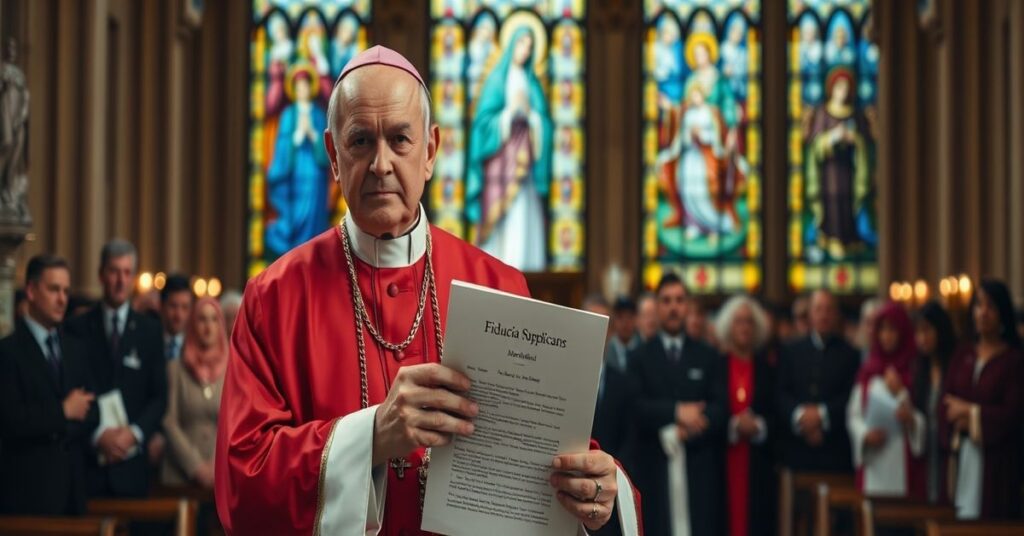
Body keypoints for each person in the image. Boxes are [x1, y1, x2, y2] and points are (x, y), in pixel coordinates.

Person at [214, 46, 640, 535]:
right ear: (333, 155)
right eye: (360, 141)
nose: (380, 163)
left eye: (399, 139)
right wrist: (372, 436)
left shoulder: (500, 285)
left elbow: (542, 447)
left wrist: (603, 489)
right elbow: (241, 481)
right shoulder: (275, 299)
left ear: (431, 150)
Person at [66, 239, 167, 498]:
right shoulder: (76, 328)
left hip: (133, 467)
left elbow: (159, 396)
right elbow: (70, 387)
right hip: (89, 466)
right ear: (101, 275)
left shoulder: (150, 331)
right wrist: (97, 435)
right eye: (114, 271)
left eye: (126, 272)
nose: (120, 280)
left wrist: (133, 434)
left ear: (133, 277)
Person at [629, 273, 726, 535]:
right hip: (654, 466)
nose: (673, 307)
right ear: (657, 307)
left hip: (698, 465)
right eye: (667, 300)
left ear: (687, 307)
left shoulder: (707, 355)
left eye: (680, 300)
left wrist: (691, 427)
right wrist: (676, 412)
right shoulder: (639, 357)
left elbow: (720, 408)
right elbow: (635, 407)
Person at [0, 255, 97, 515]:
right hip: (28, 495)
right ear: (31, 291)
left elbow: (92, 412)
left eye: (66, 291)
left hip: (73, 493)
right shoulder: (7, 351)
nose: (62, 299)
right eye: (54, 289)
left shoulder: (76, 348)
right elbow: (12, 419)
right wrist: (62, 412)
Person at [465, 27, 552, 272]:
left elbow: (544, 122)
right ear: (512, 44)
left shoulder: (533, 84)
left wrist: (533, 118)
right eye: (522, 43)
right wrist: (507, 116)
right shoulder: (496, 80)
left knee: (523, 219)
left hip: (525, 173)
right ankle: (495, 273)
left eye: (530, 46)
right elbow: (482, 124)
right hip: (499, 167)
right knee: (499, 231)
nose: (525, 50)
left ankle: (526, 272)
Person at [940, 279, 1023, 519]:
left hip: (997, 465)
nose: (983, 312)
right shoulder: (962, 354)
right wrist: (959, 420)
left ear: (1002, 314)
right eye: (978, 305)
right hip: (963, 454)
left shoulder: (1013, 360)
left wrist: (972, 414)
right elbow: (945, 402)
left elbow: (1013, 413)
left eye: (990, 307)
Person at [846, 302, 925, 498]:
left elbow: (923, 418)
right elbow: (854, 415)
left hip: (903, 462)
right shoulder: (868, 369)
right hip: (875, 459)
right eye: (882, 329)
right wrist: (865, 435)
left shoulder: (915, 369)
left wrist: (902, 396)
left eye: (892, 329)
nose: (886, 336)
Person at [777, 289, 860, 473]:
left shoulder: (850, 354)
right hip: (796, 450)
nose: (824, 315)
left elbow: (851, 396)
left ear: (837, 315)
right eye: (818, 309)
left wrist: (822, 415)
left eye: (829, 310)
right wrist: (800, 417)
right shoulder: (791, 351)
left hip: (834, 449)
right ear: (810, 315)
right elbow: (781, 393)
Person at [714, 294, 776, 536]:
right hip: (724, 458)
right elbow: (712, 408)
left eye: (749, 321)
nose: (744, 327)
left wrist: (758, 426)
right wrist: (733, 426)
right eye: (738, 321)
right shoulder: (716, 365)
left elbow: (775, 413)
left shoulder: (767, 369)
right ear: (729, 326)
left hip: (757, 463)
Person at [162, 298, 227, 489]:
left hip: (221, 475)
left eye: (214, 319)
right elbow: (169, 422)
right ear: (192, 325)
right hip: (180, 475)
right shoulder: (175, 369)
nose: (208, 326)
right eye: (202, 319)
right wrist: (196, 466)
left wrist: (216, 466)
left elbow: (235, 424)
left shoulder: (233, 370)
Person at [910, 301, 957, 504]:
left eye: (927, 331)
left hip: (949, 454)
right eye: (918, 332)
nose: (922, 338)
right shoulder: (919, 371)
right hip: (926, 453)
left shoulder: (955, 366)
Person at [593, 297, 639, 465]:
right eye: (591, 322)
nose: (596, 331)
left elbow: (630, 436)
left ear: (611, 332)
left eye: (603, 324)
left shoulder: (623, 382)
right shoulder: (565, 379)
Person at [160, 274, 193, 361]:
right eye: (173, 306)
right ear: (162, 306)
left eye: (185, 307)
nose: (179, 315)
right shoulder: (148, 342)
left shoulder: (196, 347)